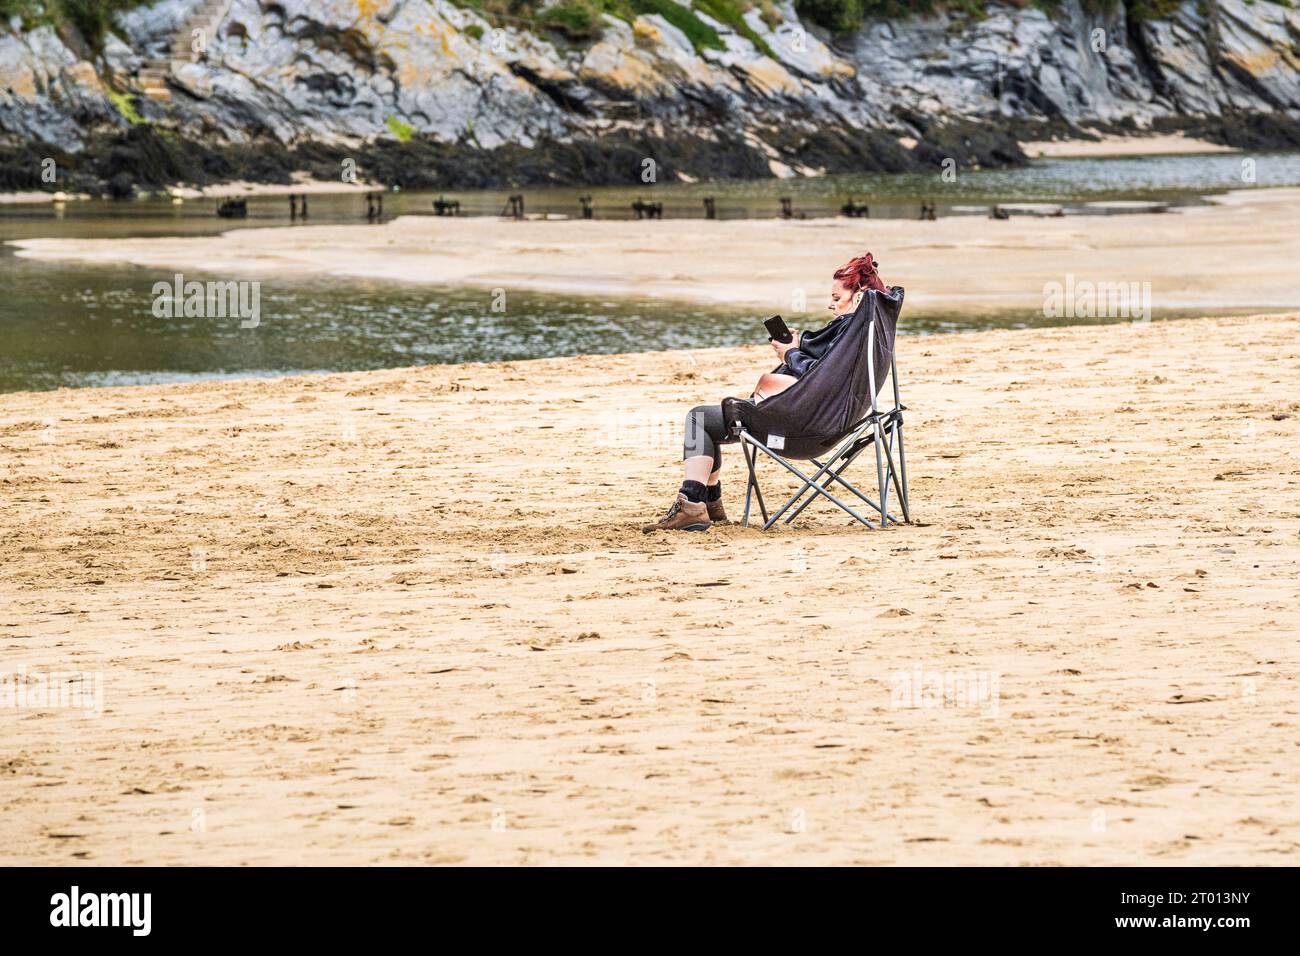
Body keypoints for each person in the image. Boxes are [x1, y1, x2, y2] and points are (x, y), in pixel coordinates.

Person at [642, 252, 889, 533]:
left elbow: (819, 377)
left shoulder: (850, 331)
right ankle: (708, 504)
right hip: (834, 423)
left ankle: (692, 506)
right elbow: (828, 372)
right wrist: (797, 348)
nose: (829, 304)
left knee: (699, 420)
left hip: (804, 428)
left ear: (859, 296)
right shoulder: (869, 327)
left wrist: (790, 354)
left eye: (836, 298)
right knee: (714, 420)